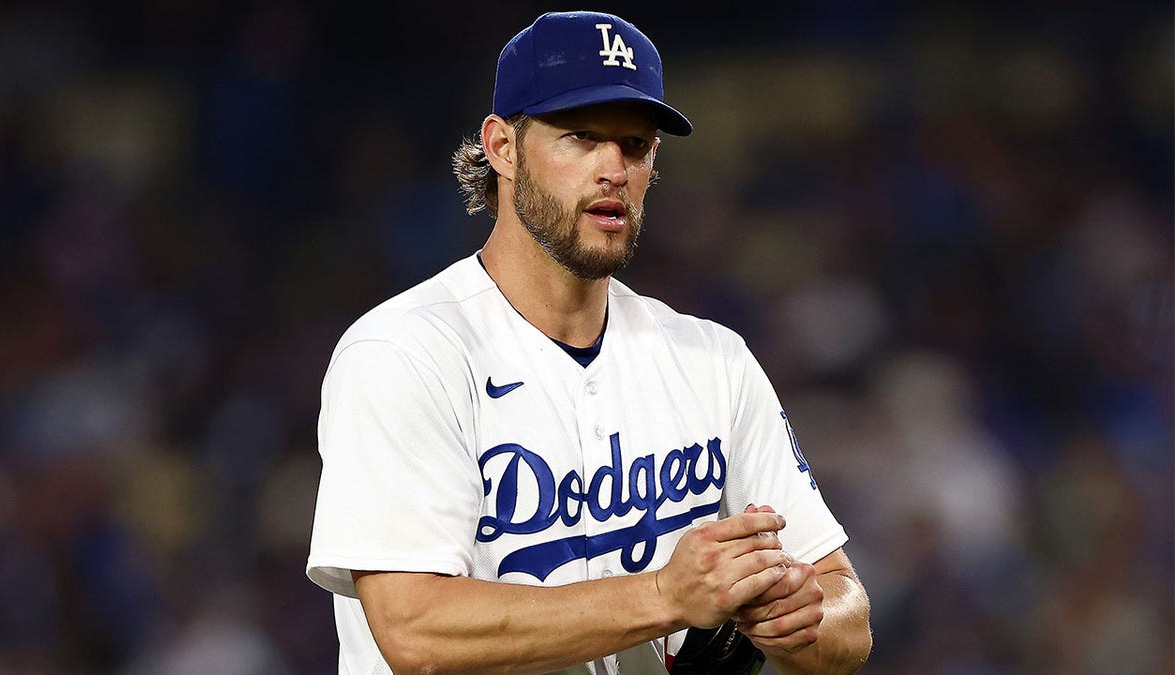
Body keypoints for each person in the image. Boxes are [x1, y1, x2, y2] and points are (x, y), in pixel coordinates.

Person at [307, 10, 871, 675]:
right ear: (501, 147)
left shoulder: (712, 359)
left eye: (634, 144)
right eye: (579, 136)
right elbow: (413, 631)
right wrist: (666, 594)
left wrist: (798, 618)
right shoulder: (405, 352)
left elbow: (848, 615)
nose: (612, 168)